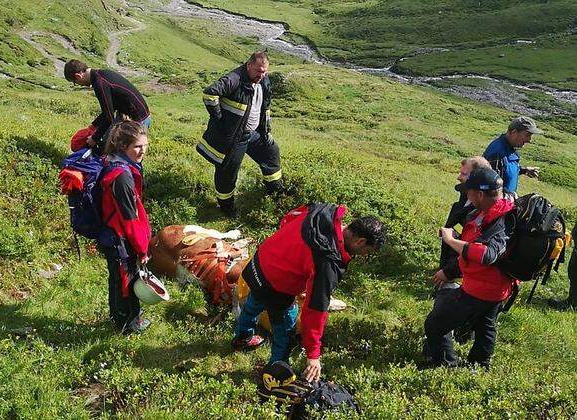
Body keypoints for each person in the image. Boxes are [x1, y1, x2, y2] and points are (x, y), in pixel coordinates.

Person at [232, 203, 387, 382]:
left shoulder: (322, 212)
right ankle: (276, 372)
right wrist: (313, 354)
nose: (364, 256)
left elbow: (289, 217)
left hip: (258, 263)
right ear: (360, 241)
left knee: (253, 303)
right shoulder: (328, 261)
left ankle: (242, 338)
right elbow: (315, 309)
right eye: (366, 251)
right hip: (276, 287)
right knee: (286, 332)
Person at [424, 168, 515, 369]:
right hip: (497, 288)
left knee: (435, 324)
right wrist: (450, 269)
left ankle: (445, 365)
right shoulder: (495, 212)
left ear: (480, 194)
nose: (467, 196)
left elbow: (487, 255)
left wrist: (450, 240)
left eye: (469, 192)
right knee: (485, 326)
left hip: (481, 289)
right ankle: (480, 365)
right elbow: (475, 249)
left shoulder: (500, 220)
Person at [198, 51, 292, 216]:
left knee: (271, 152)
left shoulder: (264, 80)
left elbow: (266, 106)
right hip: (235, 138)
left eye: (264, 72)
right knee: (228, 172)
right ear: (248, 65)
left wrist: (265, 130)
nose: (261, 75)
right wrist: (220, 120)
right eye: (257, 71)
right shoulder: (234, 79)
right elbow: (209, 93)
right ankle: (226, 207)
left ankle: (275, 191)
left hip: (253, 134)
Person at [98, 121, 152, 333]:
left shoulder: (112, 162)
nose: (142, 151)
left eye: (145, 145)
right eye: (137, 147)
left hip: (110, 233)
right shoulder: (122, 176)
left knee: (118, 278)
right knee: (126, 280)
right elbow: (130, 218)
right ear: (123, 146)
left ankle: (118, 318)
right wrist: (142, 249)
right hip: (119, 237)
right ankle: (127, 324)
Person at [433, 156, 492, 345]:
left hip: (465, 275)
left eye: (464, 174)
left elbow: (475, 251)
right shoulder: (468, 196)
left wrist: (449, 272)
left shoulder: (483, 212)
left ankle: (448, 356)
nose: (459, 177)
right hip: (457, 269)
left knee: (439, 322)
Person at [64, 59, 151, 152]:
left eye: (75, 82)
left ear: (78, 76)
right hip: (132, 114)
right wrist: (93, 126)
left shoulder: (99, 83)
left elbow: (109, 118)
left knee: (128, 153)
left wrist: (94, 138)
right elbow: (111, 108)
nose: (79, 85)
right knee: (110, 144)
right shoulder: (101, 74)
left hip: (138, 120)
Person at [483, 116, 543, 198]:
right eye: (527, 135)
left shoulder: (509, 147)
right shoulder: (497, 153)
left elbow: (505, 169)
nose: (529, 140)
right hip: (498, 207)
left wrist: (524, 170)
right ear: (514, 132)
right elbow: (491, 188)